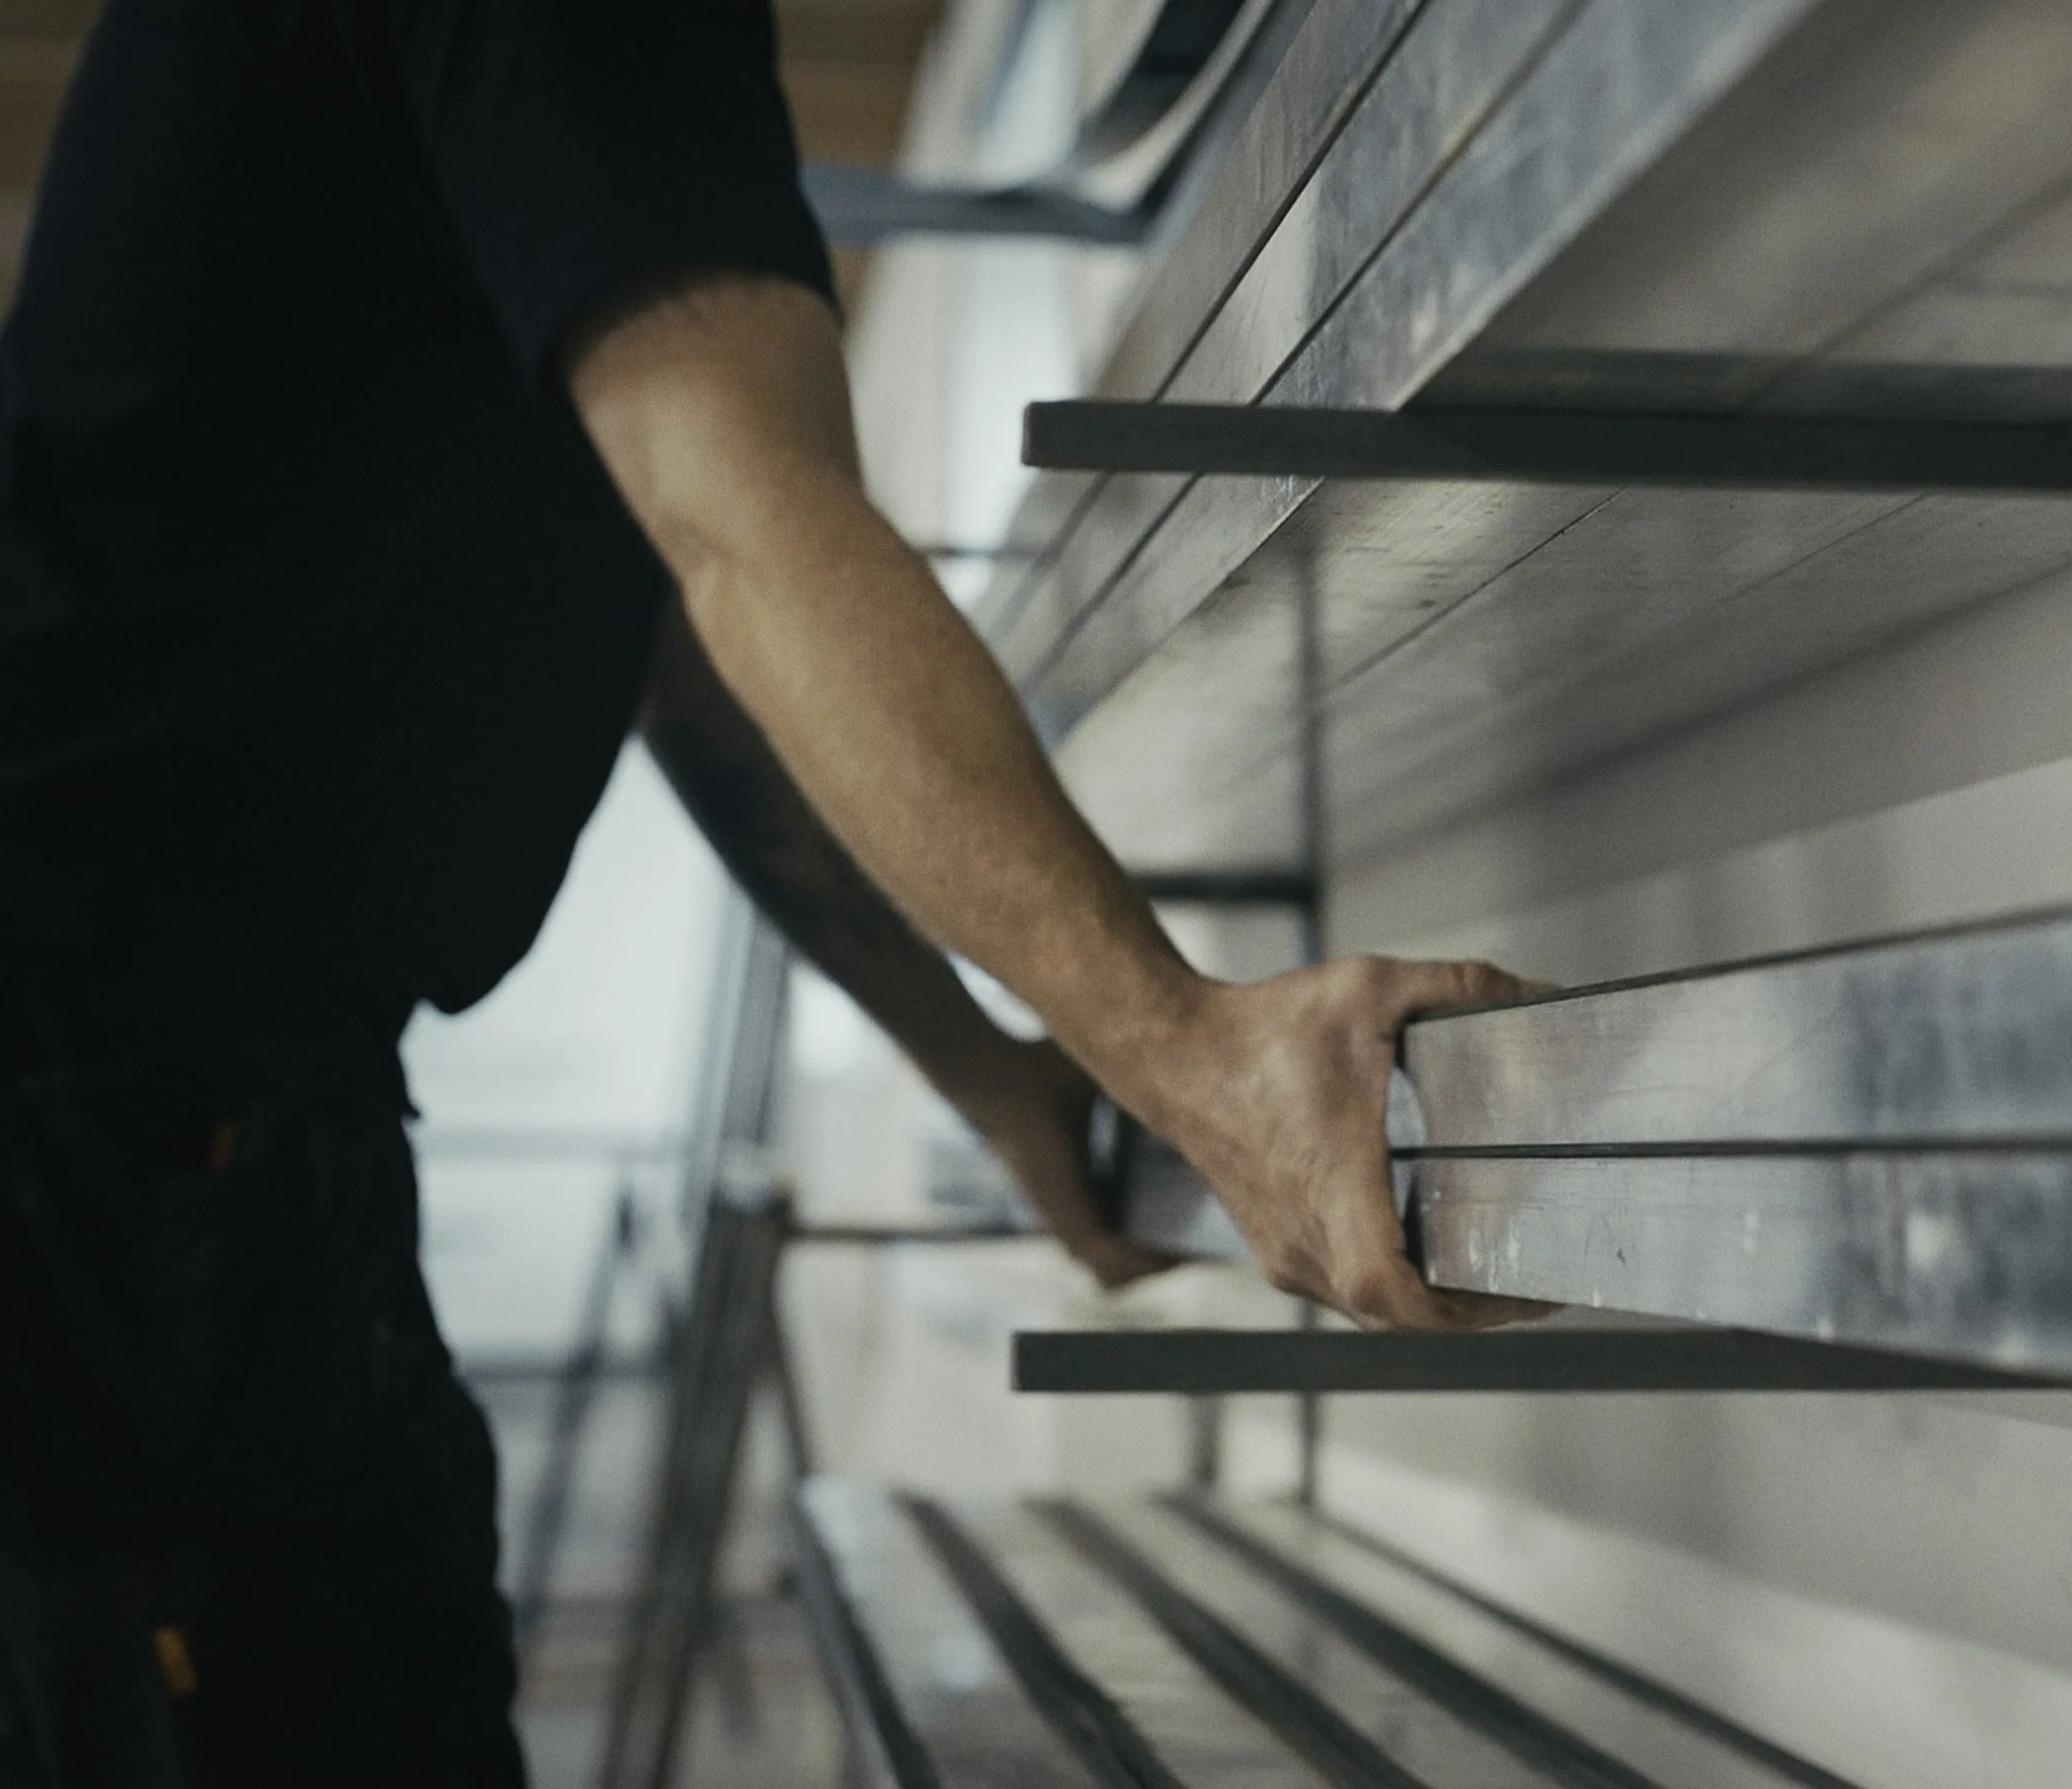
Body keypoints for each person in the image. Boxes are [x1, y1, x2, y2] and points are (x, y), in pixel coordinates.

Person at [0, 2, 1530, 1782]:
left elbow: (685, 652)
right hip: (98, 1131)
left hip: (183, 1116)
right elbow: (740, 515)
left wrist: (999, 1064)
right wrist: (1188, 1053)